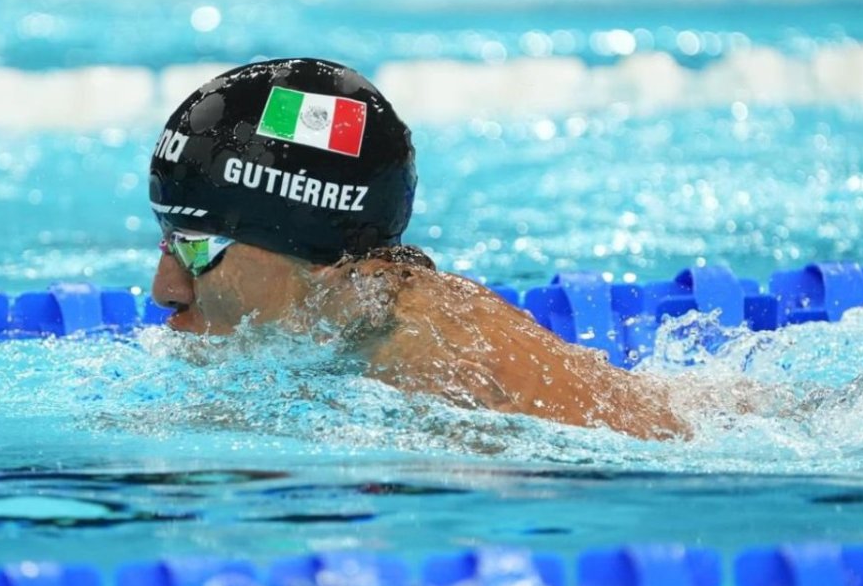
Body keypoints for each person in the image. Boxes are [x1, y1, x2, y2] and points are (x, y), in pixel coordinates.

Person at [148, 58, 684, 440]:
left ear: (328, 265)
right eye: (167, 240)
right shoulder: (351, 334)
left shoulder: (449, 374)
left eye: (198, 247)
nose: (165, 291)